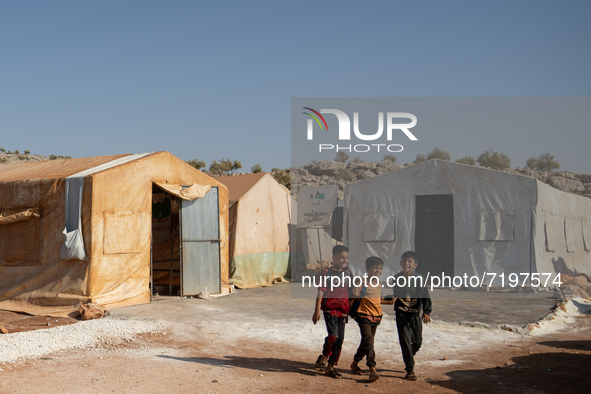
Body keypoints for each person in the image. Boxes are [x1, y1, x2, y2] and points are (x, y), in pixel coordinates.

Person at [349, 256, 394, 382]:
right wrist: (347, 315)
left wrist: (388, 302)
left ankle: (355, 363)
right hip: (363, 315)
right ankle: (372, 368)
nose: (378, 271)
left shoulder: (379, 283)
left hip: (376, 316)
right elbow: (352, 299)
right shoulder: (361, 282)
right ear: (367, 269)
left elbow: (376, 300)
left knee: (366, 342)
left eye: (380, 268)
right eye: (375, 268)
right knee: (369, 341)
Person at [312, 245, 352, 379]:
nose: (344, 260)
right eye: (341, 258)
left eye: (346, 258)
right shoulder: (326, 273)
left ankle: (330, 366)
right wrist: (317, 310)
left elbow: (351, 293)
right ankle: (324, 355)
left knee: (340, 340)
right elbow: (321, 291)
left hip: (343, 312)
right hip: (330, 310)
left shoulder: (348, 273)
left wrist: (351, 310)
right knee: (333, 336)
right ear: (334, 258)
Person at [392, 251, 432, 381]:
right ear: (400, 263)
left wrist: (426, 311)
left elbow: (425, 295)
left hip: (415, 314)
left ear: (415, 265)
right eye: (404, 261)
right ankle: (409, 370)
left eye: (410, 261)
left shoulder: (419, 279)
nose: (406, 263)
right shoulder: (397, 278)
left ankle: (409, 354)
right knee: (405, 342)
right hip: (401, 314)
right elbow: (396, 295)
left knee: (417, 342)